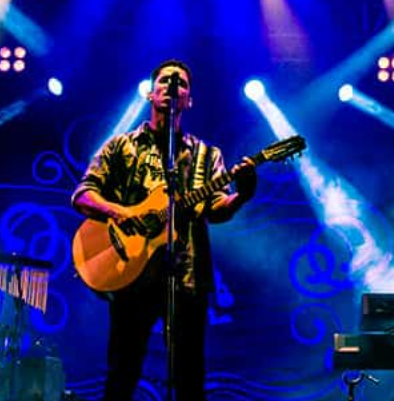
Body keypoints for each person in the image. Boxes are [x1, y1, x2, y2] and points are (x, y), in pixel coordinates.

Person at [71, 59, 257, 401]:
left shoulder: (206, 156)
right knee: (122, 374)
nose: (173, 85)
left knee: (190, 379)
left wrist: (241, 196)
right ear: (150, 93)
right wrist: (120, 213)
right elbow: (82, 195)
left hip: (186, 276)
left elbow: (215, 209)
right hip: (131, 274)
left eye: (181, 82)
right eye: (165, 80)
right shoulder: (121, 146)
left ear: (189, 100)